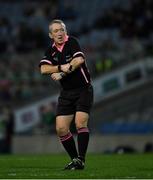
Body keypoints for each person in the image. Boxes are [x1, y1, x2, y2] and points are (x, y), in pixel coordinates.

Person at [39, 19, 93, 170]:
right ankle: (76, 160)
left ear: (65, 31)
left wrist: (63, 72)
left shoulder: (72, 42)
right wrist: (59, 67)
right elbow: (43, 69)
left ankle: (81, 159)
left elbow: (79, 60)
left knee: (80, 122)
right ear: (51, 35)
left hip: (83, 88)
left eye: (61, 30)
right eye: (55, 31)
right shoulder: (51, 51)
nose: (59, 33)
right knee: (61, 129)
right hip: (67, 93)